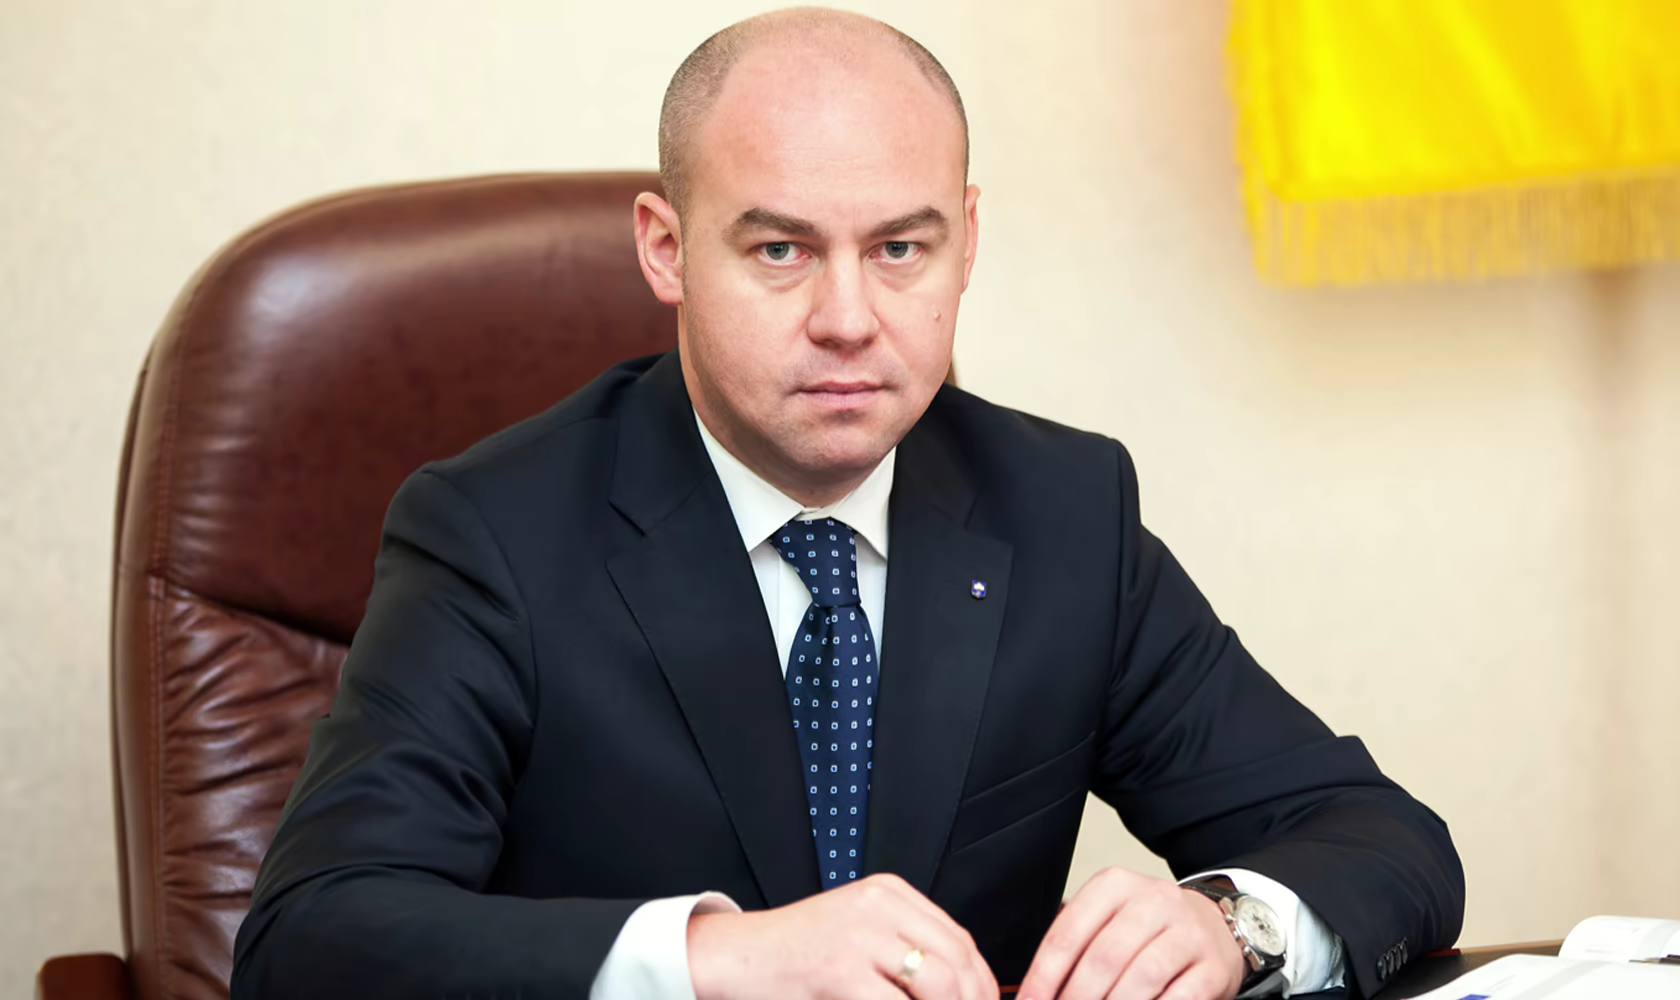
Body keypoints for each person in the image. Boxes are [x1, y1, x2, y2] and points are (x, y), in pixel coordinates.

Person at [232, 9, 1463, 1000]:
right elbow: (312, 939)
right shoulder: (491, 535)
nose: (847, 318)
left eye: (899, 249)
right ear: (665, 247)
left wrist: (1233, 924)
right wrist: (715, 960)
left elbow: (1379, 837)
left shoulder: (1063, 512)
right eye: (779, 250)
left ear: (966, 240)